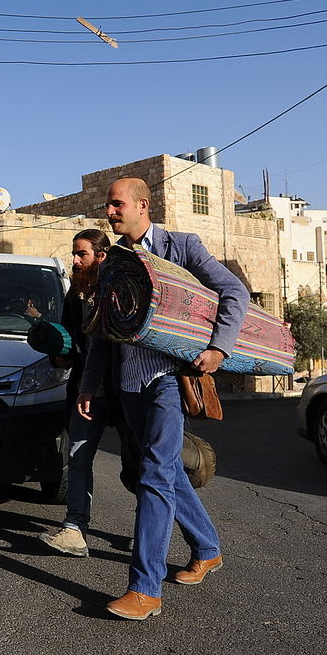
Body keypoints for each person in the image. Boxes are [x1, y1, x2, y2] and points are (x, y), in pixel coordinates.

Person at [77, 177, 247, 620]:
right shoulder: (112, 260)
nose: (110, 213)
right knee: (167, 470)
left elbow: (234, 292)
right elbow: (102, 328)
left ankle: (145, 588)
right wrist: (89, 385)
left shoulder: (183, 246)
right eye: (108, 206)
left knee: (153, 473)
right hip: (129, 385)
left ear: (142, 205)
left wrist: (218, 348)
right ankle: (208, 548)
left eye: (116, 205)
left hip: (170, 380)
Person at [39, 228, 140, 557]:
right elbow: (71, 339)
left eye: (81, 254)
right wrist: (59, 351)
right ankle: (75, 529)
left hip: (127, 392)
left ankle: (147, 526)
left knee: (137, 464)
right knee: (78, 459)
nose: (75, 260)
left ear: (102, 256)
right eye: (74, 253)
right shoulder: (74, 294)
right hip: (86, 392)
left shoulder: (122, 289)